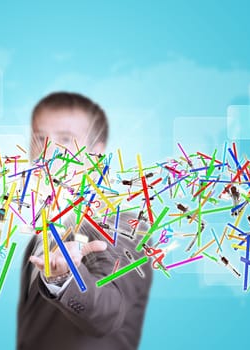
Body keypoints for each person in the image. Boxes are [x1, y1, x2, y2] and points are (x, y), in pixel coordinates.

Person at [16, 92, 153, 350]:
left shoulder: (126, 227)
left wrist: (66, 277)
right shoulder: (45, 229)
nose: (48, 151)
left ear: (97, 153)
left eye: (65, 139)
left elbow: (108, 314)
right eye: (40, 138)